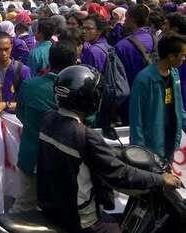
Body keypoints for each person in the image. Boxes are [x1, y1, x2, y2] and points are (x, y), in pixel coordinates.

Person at [37, 65, 182, 233]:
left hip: (51, 208)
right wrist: (161, 179)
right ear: (89, 98)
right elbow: (120, 174)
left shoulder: (48, 119)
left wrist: (114, 153)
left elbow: (91, 156)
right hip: (79, 218)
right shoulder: (86, 136)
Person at [12, 41, 77, 213]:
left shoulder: (29, 85)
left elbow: (21, 114)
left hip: (31, 156)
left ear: (50, 59)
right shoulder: (76, 90)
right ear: (74, 61)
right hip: (64, 160)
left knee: (24, 205)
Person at [130, 33, 186, 160]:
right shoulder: (144, 79)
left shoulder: (174, 74)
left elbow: (179, 110)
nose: (184, 59)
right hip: (151, 148)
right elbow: (136, 119)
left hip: (171, 143)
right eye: (183, 56)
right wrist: (138, 152)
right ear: (171, 56)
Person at [0, 32, 30, 117]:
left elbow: (28, 102)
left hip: (14, 121)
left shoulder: (22, 70)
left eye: (6, 49)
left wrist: (6, 105)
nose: (3, 53)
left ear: (11, 47)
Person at [115, 4, 156, 86]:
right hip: (153, 88)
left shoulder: (122, 46)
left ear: (132, 19)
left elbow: (117, 78)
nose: (124, 21)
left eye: (126, 17)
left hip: (133, 91)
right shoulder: (155, 39)